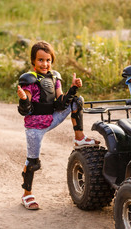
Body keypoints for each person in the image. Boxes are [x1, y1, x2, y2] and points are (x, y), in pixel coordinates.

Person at [17, 40, 99, 210]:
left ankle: (79, 138)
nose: (45, 64)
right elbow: (26, 110)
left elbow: (61, 103)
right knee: (33, 163)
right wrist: (24, 99)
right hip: (35, 126)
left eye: (48, 60)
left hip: (52, 118)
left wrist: (73, 89)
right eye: (40, 60)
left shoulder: (55, 77)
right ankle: (27, 195)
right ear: (33, 61)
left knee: (77, 101)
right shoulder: (29, 80)